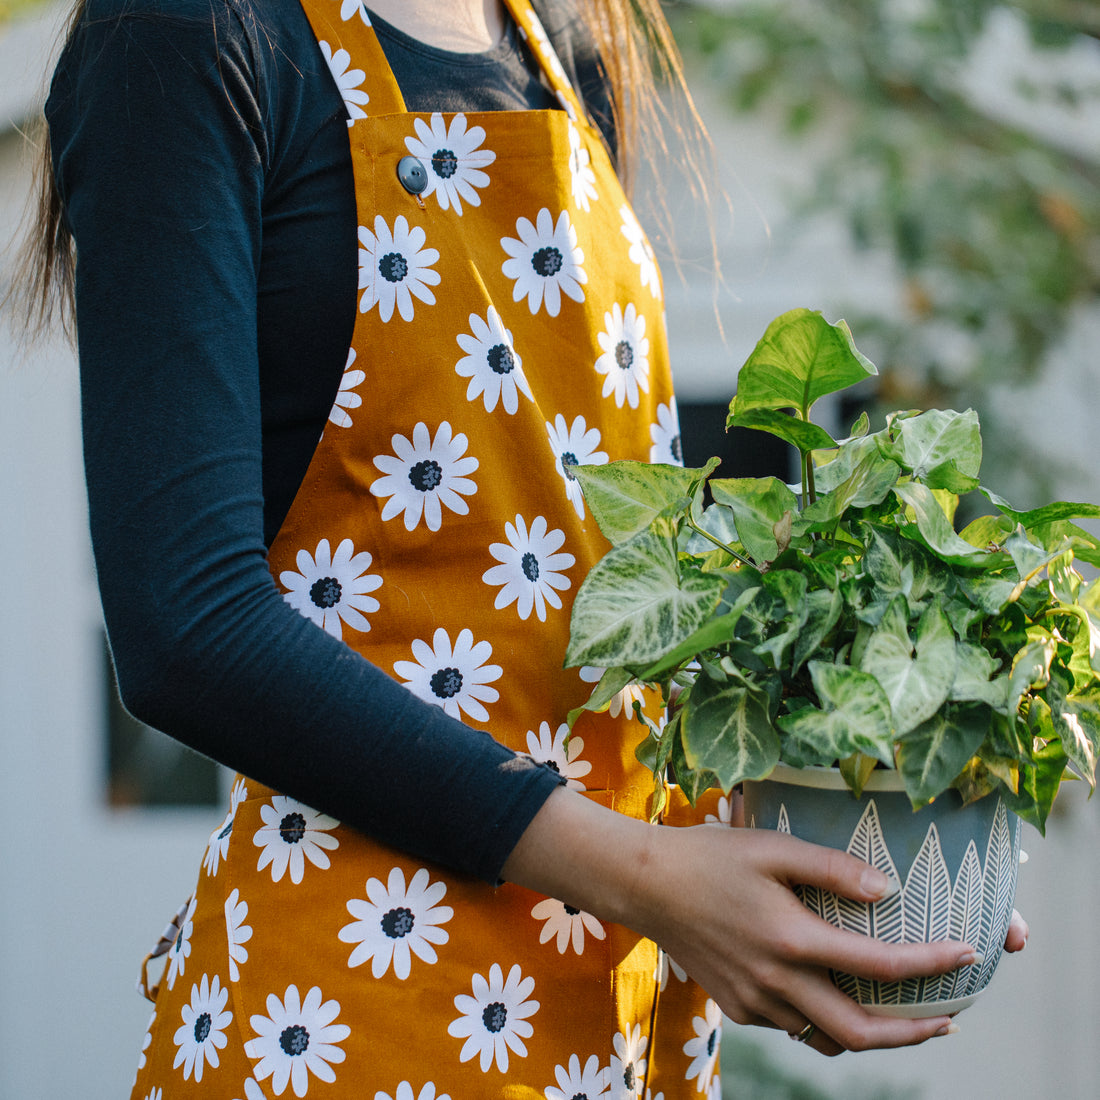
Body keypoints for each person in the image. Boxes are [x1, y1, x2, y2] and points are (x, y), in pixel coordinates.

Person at [24, 0, 1027, 1095]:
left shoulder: (562, 39)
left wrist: (839, 838)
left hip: (614, 1018)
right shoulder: (187, 30)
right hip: (354, 1014)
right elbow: (188, 621)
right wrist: (648, 876)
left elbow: (609, 596)